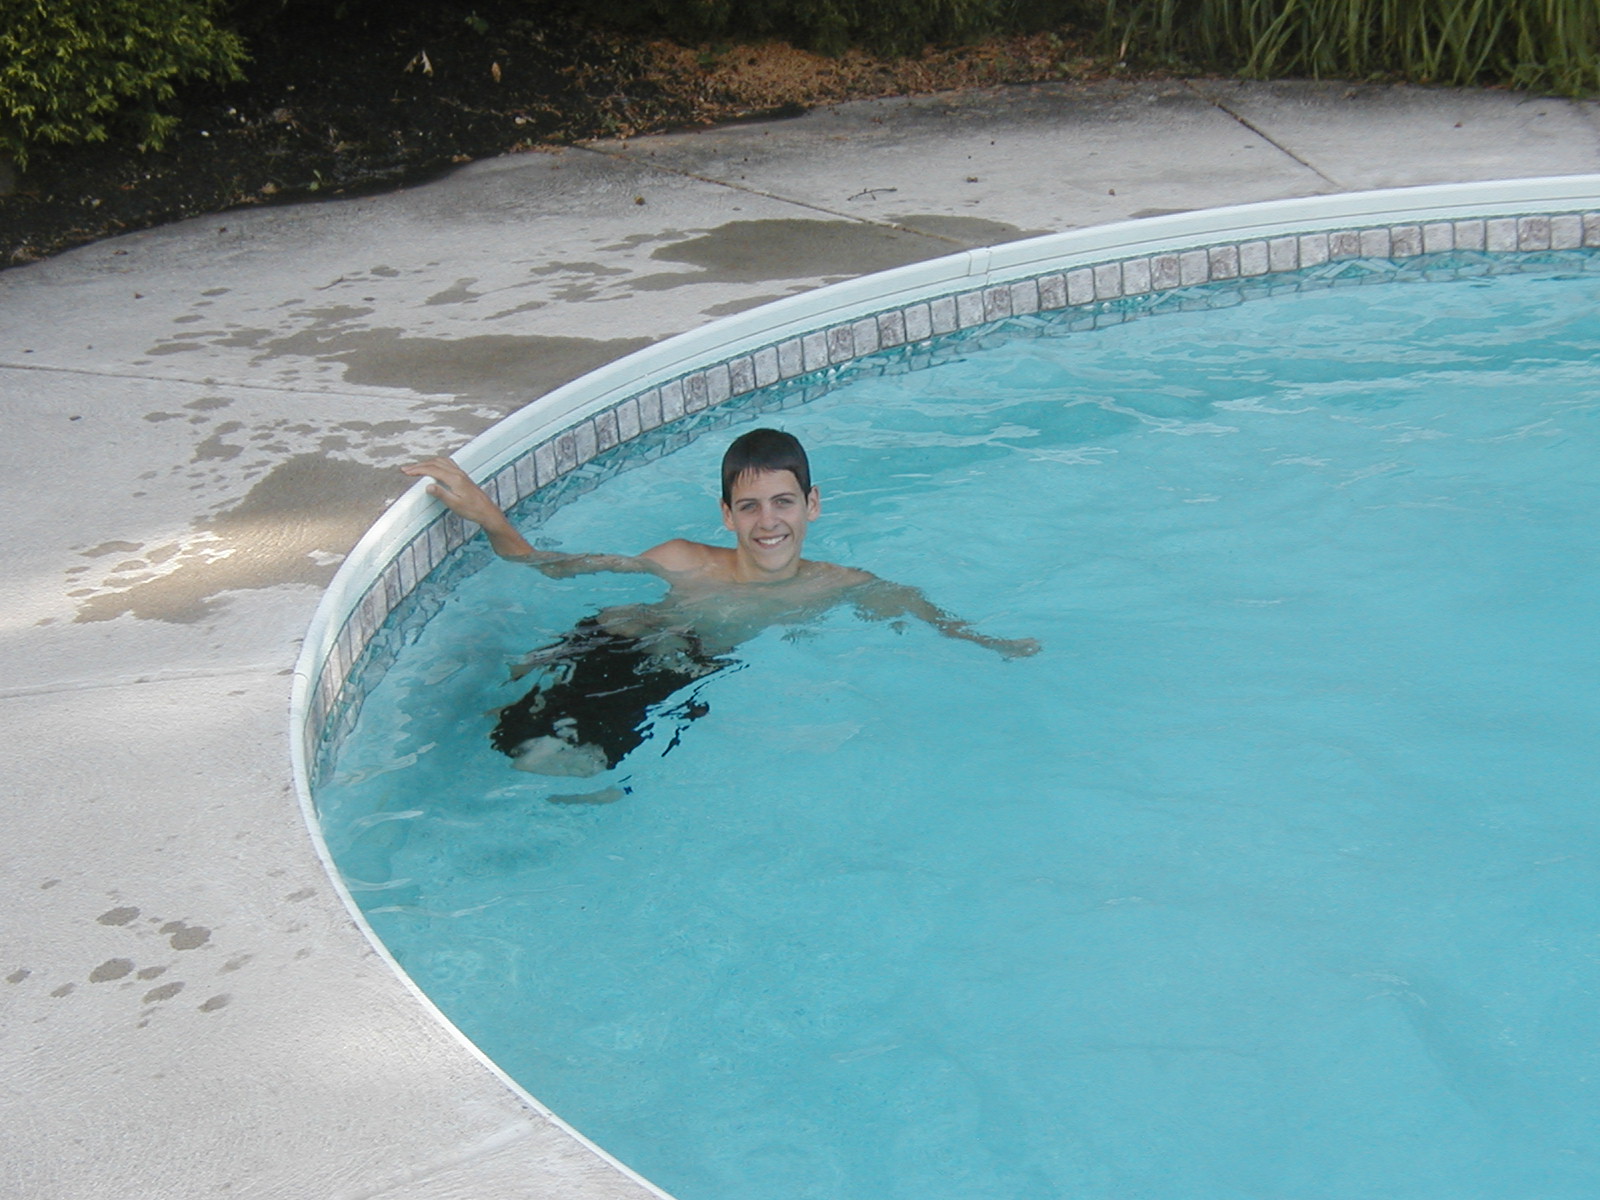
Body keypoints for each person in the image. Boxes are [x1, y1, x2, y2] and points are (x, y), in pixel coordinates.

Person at [402, 428, 1038, 777]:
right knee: (503, 737)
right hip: (611, 643)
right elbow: (554, 567)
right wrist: (489, 516)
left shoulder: (837, 583)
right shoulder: (684, 559)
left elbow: (919, 608)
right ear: (727, 516)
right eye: (749, 507)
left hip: (681, 671)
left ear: (812, 505)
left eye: (783, 502)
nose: (769, 521)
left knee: (574, 769)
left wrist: (991, 644)